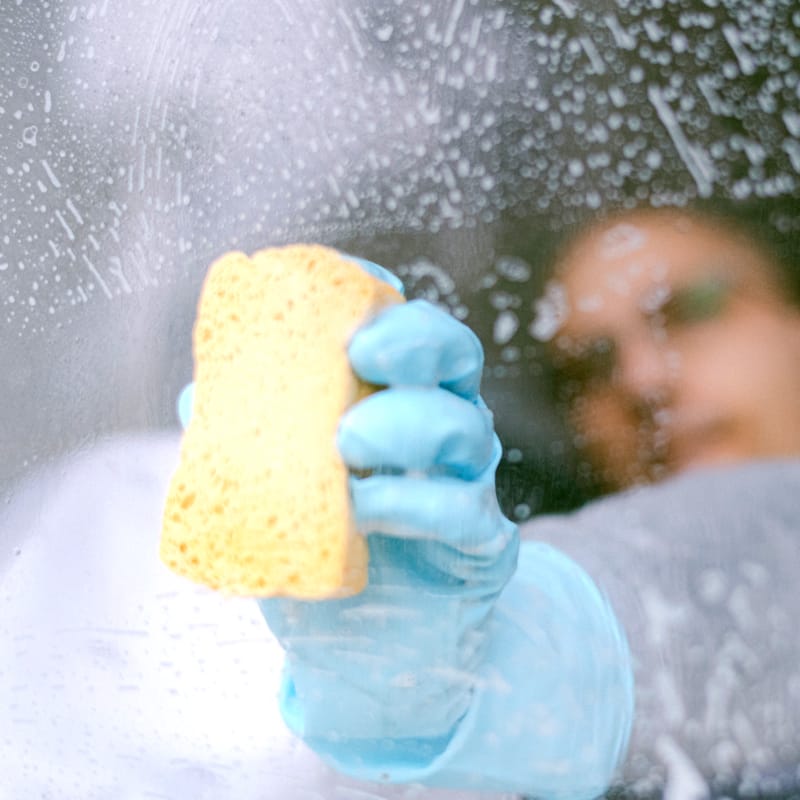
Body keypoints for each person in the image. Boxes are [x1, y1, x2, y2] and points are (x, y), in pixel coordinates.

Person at [2, 201, 799, 800]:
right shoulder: (456, 568)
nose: (641, 380)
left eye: (687, 311)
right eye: (588, 366)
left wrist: (520, 653)